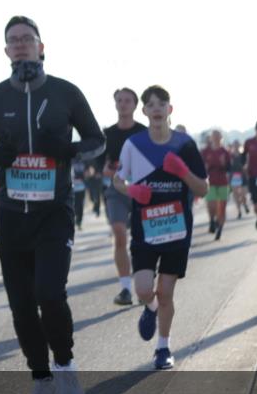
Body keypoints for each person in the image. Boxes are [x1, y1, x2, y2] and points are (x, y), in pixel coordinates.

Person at [0, 15, 105, 394]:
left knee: (49, 293)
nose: (22, 44)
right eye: (14, 40)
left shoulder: (66, 92)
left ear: (42, 47)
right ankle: (40, 379)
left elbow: (97, 142)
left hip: (54, 211)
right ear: (6, 50)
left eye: (28, 38)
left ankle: (66, 366)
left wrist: (70, 151)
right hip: (12, 215)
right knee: (22, 303)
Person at [114, 85, 207, 369]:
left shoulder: (185, 144)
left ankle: (163, 348)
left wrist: (183, 172)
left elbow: (202, 188)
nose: (156, 108)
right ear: (144, 111)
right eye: (150, 104)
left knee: (166, 291)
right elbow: (118, 179)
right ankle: (150, 308)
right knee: (144, 289)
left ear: (170, 109)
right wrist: (131, 191)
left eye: (161, 103)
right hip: (145, 227)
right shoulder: (134, 145)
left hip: (177, 227)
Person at [95, 87, 146, 306]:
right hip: (116, 190)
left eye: (127, 100)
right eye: (119, 100)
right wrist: (109, 170)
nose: (123, 104)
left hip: (141, 191)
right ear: (115, 104)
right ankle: (125, 289)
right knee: (119, 232)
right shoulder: (107, 134)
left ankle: (144, 282)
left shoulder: (144, 132)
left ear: (135, 105)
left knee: (141, 239)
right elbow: (100, 165)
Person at [200, 130, 231, 241]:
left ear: (221, 138)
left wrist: (224, 164)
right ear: (211, 138)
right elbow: (200, 165)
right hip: (210, 182)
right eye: (214, 136)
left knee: (221, 208)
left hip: (223, 182)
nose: (216, 138)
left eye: (218, 136)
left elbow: (229, 168)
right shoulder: (205, 151)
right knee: (211, 205)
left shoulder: (225, 152)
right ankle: (212, 221)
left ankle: (220, 230)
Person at [228, 140, 249, 218]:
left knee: (243, 194)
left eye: (237, 145)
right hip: (234, 177)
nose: (236, 146)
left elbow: (247, 163)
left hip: (242, 176)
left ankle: (245, 204)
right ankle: (239, 211)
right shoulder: (230, 156)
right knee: (236, 195)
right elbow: (227, 166)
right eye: (234, 145)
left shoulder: (243, 155)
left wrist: (246, 167)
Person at [71, 156, 87, 229]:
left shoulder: (84, 162)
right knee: (74, 206)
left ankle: (79, 221)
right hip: (72, 189)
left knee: (80, 205)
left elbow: (87, 173)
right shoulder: (70, 162)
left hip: (81, 187)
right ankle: (73, 221)